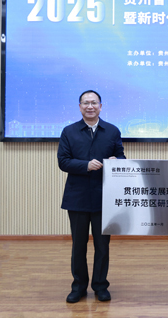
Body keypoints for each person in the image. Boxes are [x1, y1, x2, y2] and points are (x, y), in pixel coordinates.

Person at [57, 90, 125, 303]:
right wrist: (85, 165)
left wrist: (117, 161)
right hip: (77, 198)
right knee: (78, 245)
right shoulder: (69, 131)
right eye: (85, 103)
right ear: (80, 107)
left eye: (94, 103)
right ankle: (78, 287)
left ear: (100, 106)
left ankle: (100, 285)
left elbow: (121, 157)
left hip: (104, 197)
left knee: (102, 246)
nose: (90, 106)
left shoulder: (112, 131)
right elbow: (63, 161)